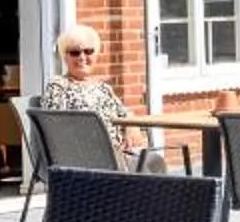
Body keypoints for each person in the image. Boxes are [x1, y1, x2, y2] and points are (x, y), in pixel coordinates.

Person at [30, 22, 158, 166]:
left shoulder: (103, 88)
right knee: (149, 166)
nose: (82, 57)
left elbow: (125, 113)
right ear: (64, 57)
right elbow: (55, 128)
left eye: (88, 51)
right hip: (85, 159)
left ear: (95, 56)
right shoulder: (58, 87)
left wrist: (131, 127)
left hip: (117, 155)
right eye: (74, 52)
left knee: (154, 161)